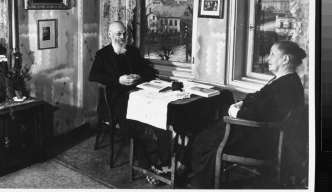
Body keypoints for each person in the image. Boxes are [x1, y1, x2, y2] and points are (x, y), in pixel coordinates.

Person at [177, 40, 306, 188]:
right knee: (203, 129)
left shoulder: (285, 86)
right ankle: (190, 173)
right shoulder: (284, 80)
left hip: (260, 139)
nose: (267, 58)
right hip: (257, 133)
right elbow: (259, 97)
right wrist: (243, 103)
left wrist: (236, 113)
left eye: (272, 54)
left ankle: (200, 184)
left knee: (203, 139)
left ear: (285, 59)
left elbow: (259, 117)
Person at [89, 21, 169, 186]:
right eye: (118, 34)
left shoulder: (132, 51)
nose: (122, 37)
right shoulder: (102, 54)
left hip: (139, 94)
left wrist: (139, 76)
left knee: (163, 114)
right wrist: (118, 80)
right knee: (130, 123)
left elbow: (148, 72)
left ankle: (164, 163)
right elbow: (94, 75)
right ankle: (147, 167)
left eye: (124, 34)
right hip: (116, 98)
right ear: (110, 34)